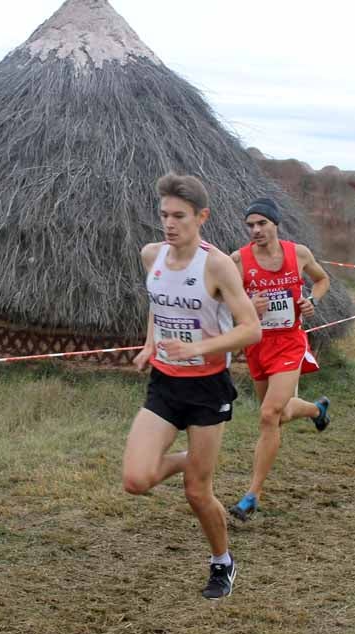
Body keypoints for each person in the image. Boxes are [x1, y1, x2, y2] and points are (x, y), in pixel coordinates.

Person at [123, 173, 261, 599]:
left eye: (179, 216)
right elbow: (157, 302)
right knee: (135, 479)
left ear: (201, 217)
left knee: (198, 493)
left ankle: (222, 562)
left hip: (207, 389)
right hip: (165, 384)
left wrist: (200, 346)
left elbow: (251, 329)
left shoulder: (216, 264)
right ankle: (191, 458)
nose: (169, 224)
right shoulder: (152, 256)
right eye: (164, 215)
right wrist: (151, 345)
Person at [228, 197, 331, 522]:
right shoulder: (238, 261)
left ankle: (251, 495)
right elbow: (225, 300)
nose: (256, 230)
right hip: (258, 345)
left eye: (262, 224)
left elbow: (322, 279)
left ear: (275, 224)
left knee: (269, 414)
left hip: (289, 343)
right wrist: (247, 307)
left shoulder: (297, 253)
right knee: (280, 413)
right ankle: (316, 409)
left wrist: (311, 301)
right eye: (251, 225)